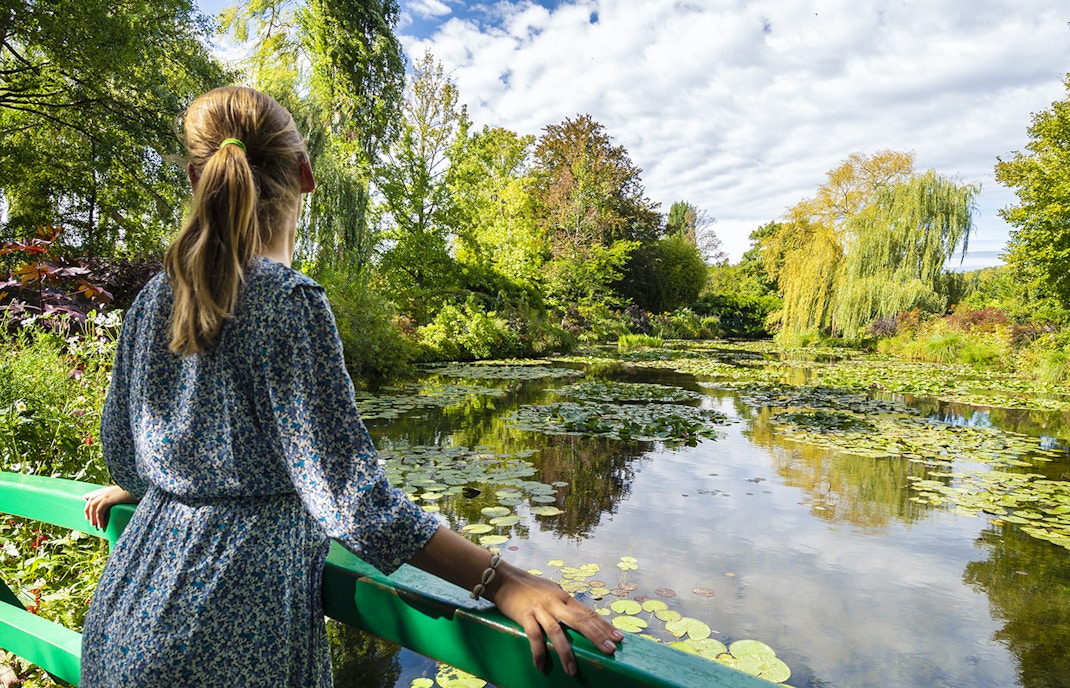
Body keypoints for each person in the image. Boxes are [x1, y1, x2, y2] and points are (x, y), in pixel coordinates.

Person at [79, 85, 622, 687]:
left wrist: (171, 488)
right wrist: (505, 581)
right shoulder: (290, 304)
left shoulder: (153, 299)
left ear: (194, 177)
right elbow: (352, 502)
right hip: (225, 630)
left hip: (123, 618)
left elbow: (125, 455)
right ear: (306, 176)